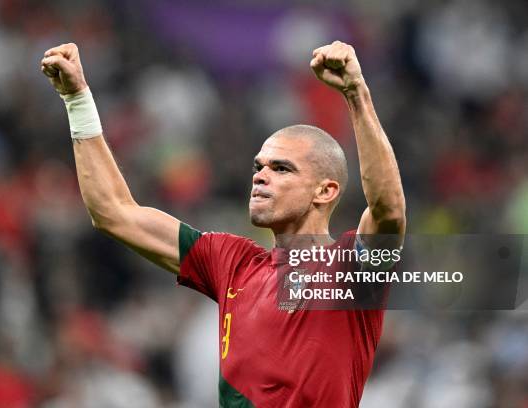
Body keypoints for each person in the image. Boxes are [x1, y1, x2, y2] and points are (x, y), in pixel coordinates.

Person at [41, 40, 406, 408]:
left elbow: (388, 208)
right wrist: (77, 99)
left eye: (281, 168)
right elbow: (114, 212)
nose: (260, 177)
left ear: (325, 191)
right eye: (258, 167)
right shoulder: (232, 263)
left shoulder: (353, 270)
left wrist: (356, 94)